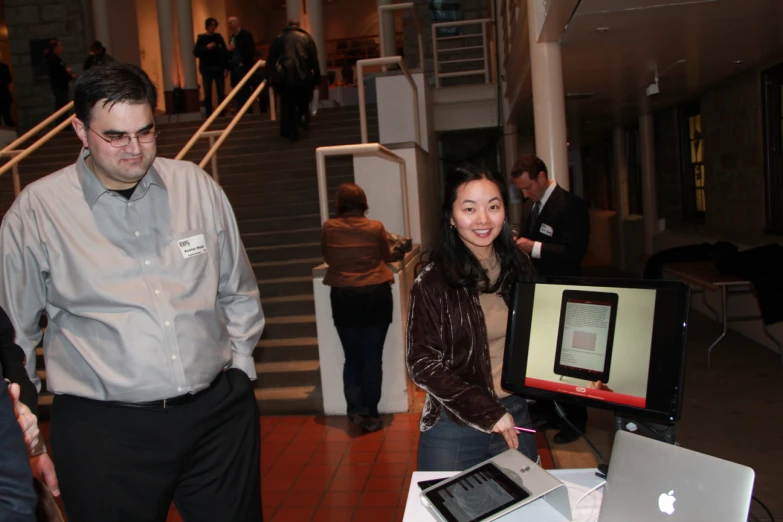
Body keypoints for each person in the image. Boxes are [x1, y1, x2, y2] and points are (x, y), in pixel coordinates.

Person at [0, 62, 265, 522]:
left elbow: (238, 291)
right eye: (116, 136)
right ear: (80, 129)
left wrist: (239, 370)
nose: (135, 149)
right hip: (105, 433)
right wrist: (22, 440)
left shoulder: (196, 186)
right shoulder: (36, 213)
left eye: (145, 132)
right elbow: (15, 338)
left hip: (218, 418)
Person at [407, 166, 539, 472]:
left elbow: (537, 332)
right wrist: (485, 411)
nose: (483, 219)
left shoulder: (518, 266)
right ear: (452, 218)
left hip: (515, 413)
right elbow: (421, 363)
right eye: (470, 209)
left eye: (493, 206)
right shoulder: (432, 281)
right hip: (455, 422)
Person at [511, 153, 591, 445]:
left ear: (542, 177)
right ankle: (549, 411)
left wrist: (532, 247)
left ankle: (575, 420)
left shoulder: (571, 205)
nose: (524, 194)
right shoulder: (535, 206)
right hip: (542, 290)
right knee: (545, 356)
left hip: (564, 290)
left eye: (527, 187)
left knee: (568, 360)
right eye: (521, 189)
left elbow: (573, 253)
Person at [321, 183, 394, 433]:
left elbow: (328, 259)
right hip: (376, 295)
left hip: (344, 297)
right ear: (363, 202)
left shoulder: (329, 228)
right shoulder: (375, 227)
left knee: (352, 358)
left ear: (339, 203)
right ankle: (372, 411)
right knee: (373, 357)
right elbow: (386, 255)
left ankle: (356, 410)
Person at [266, 20, 321, 140]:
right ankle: (302, 118)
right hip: (304, 76)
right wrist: (317, 78)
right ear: (298, 26)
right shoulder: (307, 38)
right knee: (303, 101)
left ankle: (289, 131)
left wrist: (270, 77)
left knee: (287, 104)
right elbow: (314, 60)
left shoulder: (280, 38)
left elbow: (271, 59)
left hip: (285, 76)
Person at [193, 17, 229, 118]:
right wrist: (206, 47)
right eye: (211, 25)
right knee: (207, 92)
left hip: (218, 68)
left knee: (221, 92)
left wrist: (226, 67)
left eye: (214, 25)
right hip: (207, 69)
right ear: (207, 26)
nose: (213, 28)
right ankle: (209, 113)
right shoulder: (202, 38)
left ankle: (221, 112)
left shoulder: (218, 37)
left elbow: (224, 53)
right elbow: (196, 52)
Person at [226, 16, 255, 114]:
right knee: (236, 88)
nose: (229, 25)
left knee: (245, 88)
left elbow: (250, 50)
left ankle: (247, 109)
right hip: (234, 66)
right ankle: (239, 109)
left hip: (243, 65)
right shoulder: (232, 37)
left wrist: (244, 62)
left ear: (236, 23)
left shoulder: (246, 35)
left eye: (230, 23)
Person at [45, 40, 75, 120]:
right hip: (59, 87)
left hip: (62, 86)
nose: (62, 48)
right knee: (61, 107)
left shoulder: (57, 59)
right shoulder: (53, 60)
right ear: (55, 48)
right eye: (60, 46)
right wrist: (67, 73)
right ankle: (63, 126)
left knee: (64, 106)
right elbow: (58, 73)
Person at [0, 51, 14, 127]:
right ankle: (12, 134)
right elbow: (9, 80)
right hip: (5, 94)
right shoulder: (5, 67)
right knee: (7, 115)